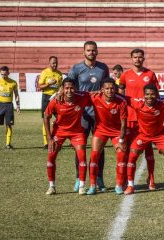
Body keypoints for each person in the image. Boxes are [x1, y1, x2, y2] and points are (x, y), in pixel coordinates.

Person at [123, 83, 164, 195]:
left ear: (157, 95)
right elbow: (123, 98)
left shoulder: (162, 103)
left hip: (159, 135)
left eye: (152, 94)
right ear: (144, 95)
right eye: (147, 94)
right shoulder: (138, 103)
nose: (150, 97)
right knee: (132, 155)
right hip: (143, 135)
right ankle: (130, 186)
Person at [68, 41, 110, 192]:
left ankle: (99, 177)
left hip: (100, 113)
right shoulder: (77, 68)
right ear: (83, 52)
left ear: (97, 52)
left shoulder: (103, 68)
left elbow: (107, 86)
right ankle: (79, 178)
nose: (91, 52)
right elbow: (68, 85)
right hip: (82, 114)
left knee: (100, 147)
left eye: (93, 50)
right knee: (80, 146)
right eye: (88, 50)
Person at [119, 48, 159, 190]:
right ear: (131, 58)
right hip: (130, 117)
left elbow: (156, 95)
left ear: (143, 58)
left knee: (148, 148)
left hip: (146, 117)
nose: (137, 59)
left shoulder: (150, 74)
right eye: (135, 57)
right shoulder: (125, 75)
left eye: (140, 57)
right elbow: (121, 91)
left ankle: (151, 177)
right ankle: (125, 178)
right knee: (128, 150)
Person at [44, 78, 91, 195]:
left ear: (75, 88)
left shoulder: (82, 97)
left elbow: (95, 94)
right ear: (62, 89)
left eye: (71, 88)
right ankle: (52, 186)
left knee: (82, 157)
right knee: (51, 157)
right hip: (59, 131)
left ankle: (81, 186)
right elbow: (46, 116)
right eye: (66, 88)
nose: (69, 90)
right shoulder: (56, 100)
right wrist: (49, 139)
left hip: (77, 132)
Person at [86, 78, 128, 195]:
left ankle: (118, 185)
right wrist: (59, 92)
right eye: (107, 88)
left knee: (121, 155)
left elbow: (124, 123)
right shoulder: (95, 97)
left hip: (116, 132)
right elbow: (78, 95)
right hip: (101, 131)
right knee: (94, 156)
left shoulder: (121, 102)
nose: (110, 91)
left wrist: (121, 140)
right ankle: (92, 186)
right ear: (102, 90)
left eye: (112, 88)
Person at [38, 56, 63, 149]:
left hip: (56, 98)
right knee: (45, 119)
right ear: (49, 63)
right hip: (46, 97)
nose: (55, 64)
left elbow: (61, 86)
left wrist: (60, 92)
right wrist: (49, 84)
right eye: (53, 63)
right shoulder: (45, 72)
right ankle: (46, 142)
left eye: (56, 63)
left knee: (60, 118)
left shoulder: (59, 74)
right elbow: (40, 87)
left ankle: (57, 139)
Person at [0, 66, 20, 150]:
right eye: (2, 74)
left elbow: (16, 95)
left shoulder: (13, 83)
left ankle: (8, 144)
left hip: (9, 105)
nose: (3, 76)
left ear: (8, 73)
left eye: (5, 74)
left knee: (9, 125)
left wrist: (18, 106)